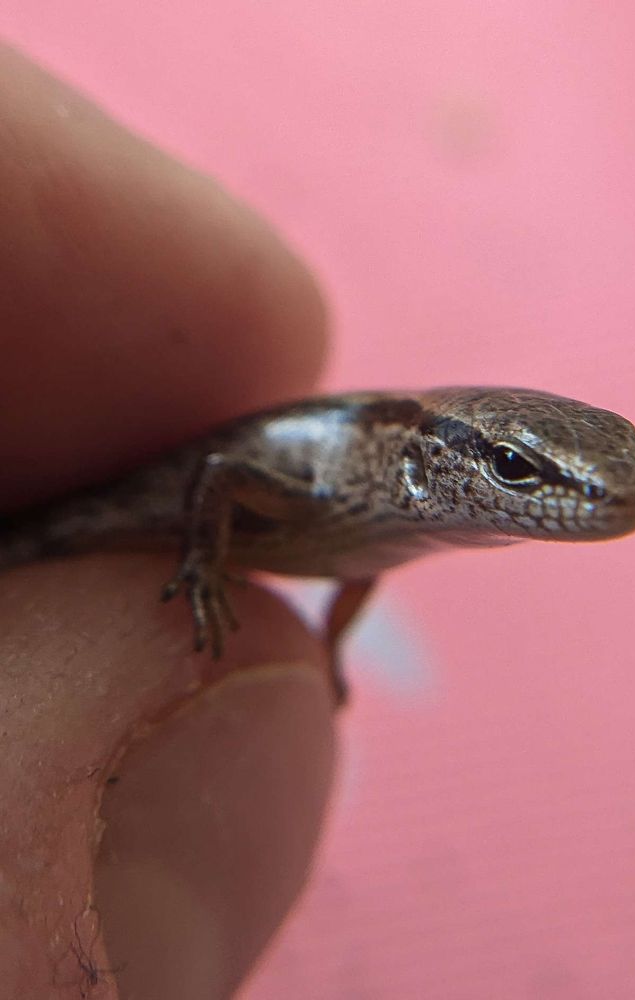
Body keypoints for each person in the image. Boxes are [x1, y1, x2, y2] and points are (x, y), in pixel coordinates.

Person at [0, 44, 336, 999]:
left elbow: (361, 568)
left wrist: (339, 648)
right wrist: (202, 565)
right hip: (106, 509)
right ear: (446, 458)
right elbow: (228, 471)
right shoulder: (367, 467)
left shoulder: (394, 519)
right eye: (520, 472)